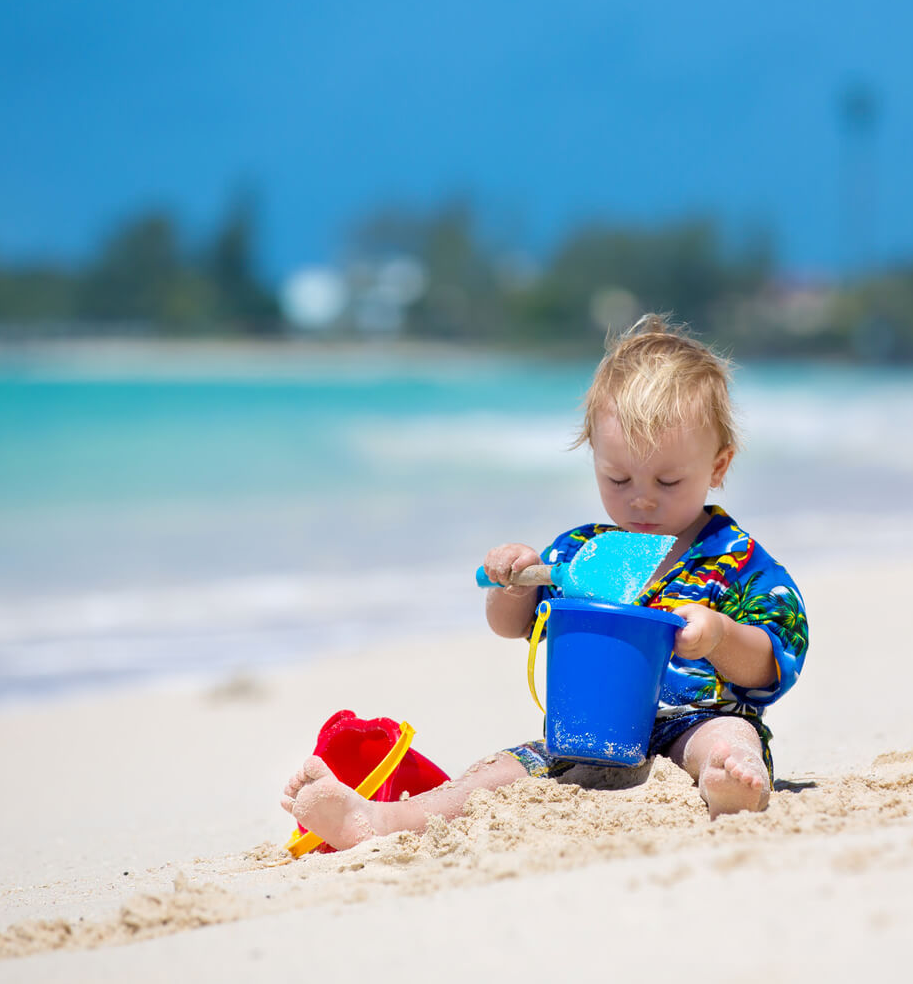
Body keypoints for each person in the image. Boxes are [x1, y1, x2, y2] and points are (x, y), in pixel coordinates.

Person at [280, 314, 808, 846]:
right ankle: (377, 819)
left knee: (727, 736)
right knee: (493, 773)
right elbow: (512, 626)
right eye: (617, 478)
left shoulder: (736, 559)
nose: (641, 498)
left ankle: (731, 779)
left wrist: (719, 636)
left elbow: (773, 662)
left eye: (668, 480)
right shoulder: (583, 553)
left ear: (719, 466)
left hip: (692, 720)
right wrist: (515, 583)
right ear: (594, 457)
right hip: (582, 735)